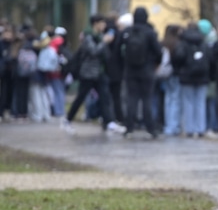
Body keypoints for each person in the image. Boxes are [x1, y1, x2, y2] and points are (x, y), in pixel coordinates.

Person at [63, 16, 122, 134]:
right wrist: (104, 42)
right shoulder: (88, 37)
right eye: (102, 23)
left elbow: (106, 55)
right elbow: (93, 51)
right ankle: (67, 120)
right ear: (96, 24)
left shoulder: (100, 36)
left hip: (99, 73)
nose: (104, 26)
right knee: (80, 97)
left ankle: (109, 122)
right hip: (88, 73)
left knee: (105, 97)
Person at [120, 7, 163, 138]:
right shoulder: (150, 32)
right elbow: (158, 52)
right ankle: (150, 128)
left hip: (130, 71)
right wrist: (155, 64)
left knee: (131, 99)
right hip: (147, 70)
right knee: (147, 100)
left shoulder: (127, 32)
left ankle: (129, 128)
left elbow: (118, 50)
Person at [173, 22, 211, 137]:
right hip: (202, 76)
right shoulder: (203, 42)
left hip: (186, 76)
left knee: (188, 102)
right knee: (200, 103)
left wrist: (179, 70)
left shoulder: (183, 43)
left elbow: (178, 57)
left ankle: (189, 129)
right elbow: (211, 58)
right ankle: (200, 129)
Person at [161, 25, 183, 136]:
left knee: (168, 99)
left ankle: (168, 125)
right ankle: (173, 126)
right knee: (176, 100)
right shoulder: (178, 44)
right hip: (176, 74)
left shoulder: (164, 43)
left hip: (166, 74)